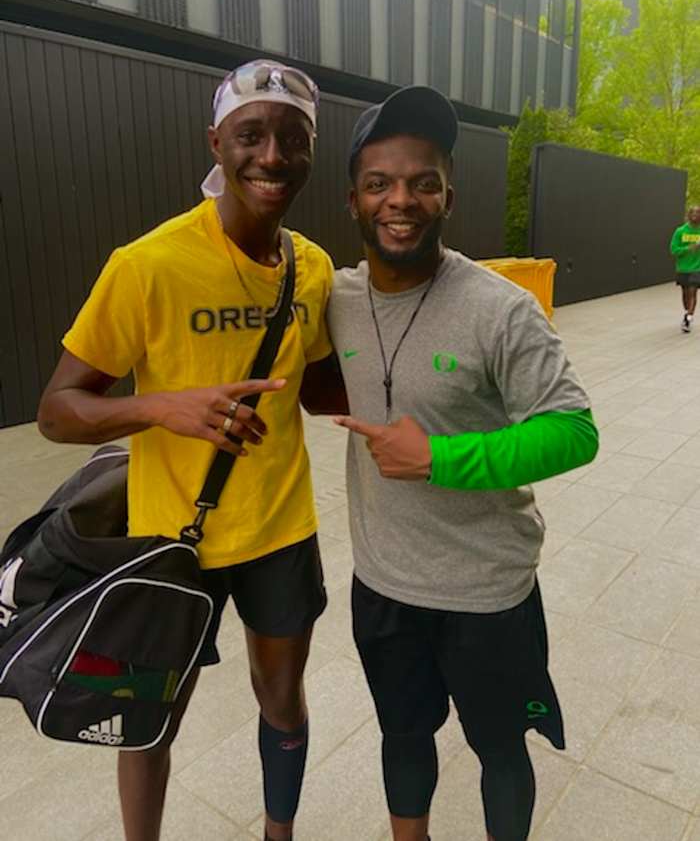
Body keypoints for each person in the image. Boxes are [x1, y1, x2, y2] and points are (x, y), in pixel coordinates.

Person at [37, 59, 345, 841]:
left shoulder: (310, 268)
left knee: (282, 700)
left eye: (292, 137)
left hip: (281, 530)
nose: (271, 155)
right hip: (171, 542)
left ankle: (280, 832)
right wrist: (159, 408)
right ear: (216, 142)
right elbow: (57, 410)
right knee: (150, 719)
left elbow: (320, 389)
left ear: (311, 149)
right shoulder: (146, 264)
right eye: (251, 134)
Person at [325, 86, 599, 841]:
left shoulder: (500, 307)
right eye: (380, 183)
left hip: (487, 592)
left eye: (422, 181)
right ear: (354, 200)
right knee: (403, 736)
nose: (400, 199)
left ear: (449, 193)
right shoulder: (336, 298)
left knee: (501, 746)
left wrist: (441, 456)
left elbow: (575, 430)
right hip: (382, 585)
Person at [669, 204, 700, 333]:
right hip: (683, 268)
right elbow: (673, 250)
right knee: (685, 295)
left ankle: (688, 318)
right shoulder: (680, 231)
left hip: (697, 268)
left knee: (693, 291)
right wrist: (689, 248)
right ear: (688, 216)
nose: (695, 216)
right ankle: (687, 311)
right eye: (693, 213)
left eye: (698, 214)